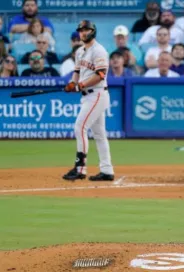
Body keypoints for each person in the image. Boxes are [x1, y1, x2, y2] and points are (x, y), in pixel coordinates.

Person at [62, 20, 114, 182]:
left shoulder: (99, 50)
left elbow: (100, 76)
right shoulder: (79, 52)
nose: (83, 33)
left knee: (80, 127)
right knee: (99, 134)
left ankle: (80, 168)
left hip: (97, 94)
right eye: (81, 30)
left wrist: (80, 85)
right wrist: (72, 83)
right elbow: (77, 71)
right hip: (88, 96)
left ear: (93, 31)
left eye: (87, 30)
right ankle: (107, 170)